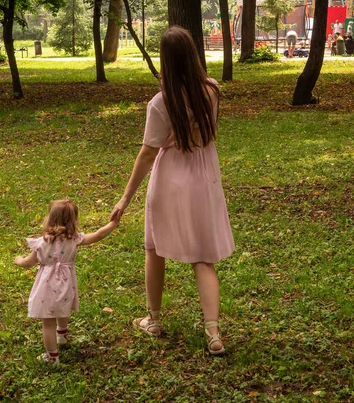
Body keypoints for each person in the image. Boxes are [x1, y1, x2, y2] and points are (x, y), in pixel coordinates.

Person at [111, 26, 235, 356]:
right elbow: (210, 133)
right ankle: (213, 332)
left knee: (155, 248)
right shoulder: (212, 89)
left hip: (170, 177)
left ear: (165, 61)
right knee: (203, 258)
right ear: (193, 55)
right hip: (204, 177)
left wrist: (125, 198)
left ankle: (153, 319)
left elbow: (148, 153)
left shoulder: (160, 103)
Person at [14, 199, 119, 365]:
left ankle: (52, 357)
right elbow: (98, 235)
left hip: (46, 286)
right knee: (62, 308)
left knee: (47, 322)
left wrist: (18, 260)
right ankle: (62, 336)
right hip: (66, 282)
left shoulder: (42, 243)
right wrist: (113, 224)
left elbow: (28, 263)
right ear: (73, 220)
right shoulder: (74, 239)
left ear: (50, 218)